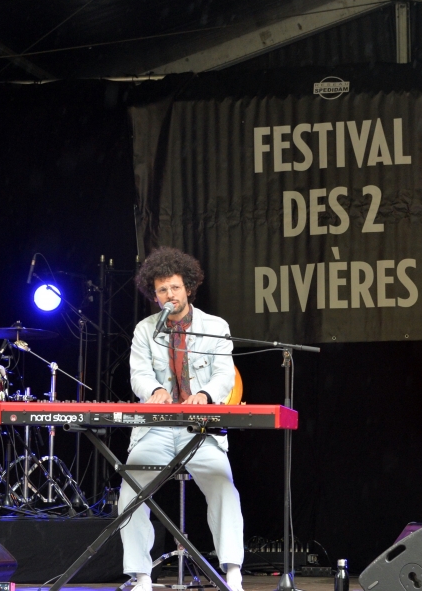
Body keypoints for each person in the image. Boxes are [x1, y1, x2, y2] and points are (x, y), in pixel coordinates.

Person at [118, 247, 244, 591]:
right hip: (156, 429)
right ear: (154, 294)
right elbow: (139, 375)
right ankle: (141, 576)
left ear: (188, 287)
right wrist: (155, 389)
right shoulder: (145, 330)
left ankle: (233, 573)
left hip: (200, 430)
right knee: (130, 492)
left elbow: (224, 375)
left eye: (174, 287)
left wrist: (205, 394)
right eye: (162, 290)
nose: (169, 294)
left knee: (224, 488)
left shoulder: (215, 326)